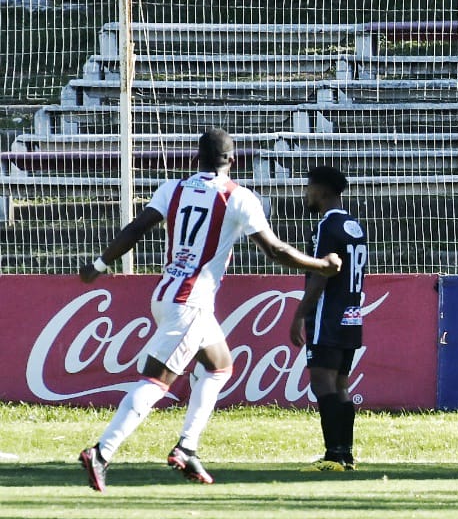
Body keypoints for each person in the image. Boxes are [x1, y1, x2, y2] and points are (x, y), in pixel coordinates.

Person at [77, 127, 342, 493]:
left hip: (169, 294)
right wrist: (320, 265)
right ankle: (102, 452)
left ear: (195, 159)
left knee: (219, 366)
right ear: (232, 161)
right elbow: (275, 251)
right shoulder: (239, 197)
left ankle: (187, 448)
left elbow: (137, 228)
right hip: (191, 303)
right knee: (155, 382)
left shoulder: (173, 188)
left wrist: (101, 264)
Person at [290, 166, 367, 471]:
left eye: (308, 188)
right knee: (342, 384)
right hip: (351, 314)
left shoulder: (326, 227)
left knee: (323, 382)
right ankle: (345, 454)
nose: (306, 194)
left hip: (327, 316)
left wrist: (297, 316)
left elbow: (320, 277)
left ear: (321, 190)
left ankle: (334, 454)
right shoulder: (353, 225)